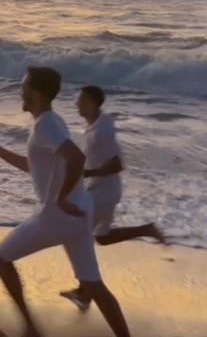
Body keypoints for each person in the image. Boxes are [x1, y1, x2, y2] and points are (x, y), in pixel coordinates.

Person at [0, 67, 131, 337]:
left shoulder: (45, 125)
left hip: (57, 216)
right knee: (94, 285)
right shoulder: (53, 121)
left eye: (24, 87)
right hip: (80, 214)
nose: (21, 92)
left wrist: (60, 197)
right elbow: (33, 166)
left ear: (35, 92)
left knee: (0, 259)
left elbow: (77, 158)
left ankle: (31, 329)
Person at [60, 84, 164, 311]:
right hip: (101, 191)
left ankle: (85, 292)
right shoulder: (96, 126)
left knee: (79, 235)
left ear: (92, 103)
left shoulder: (102, 131)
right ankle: (146, 229)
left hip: (103, 193)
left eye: (81, 100)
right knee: (100, 237)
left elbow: (117, 165)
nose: (77, 104)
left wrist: (88, 173)